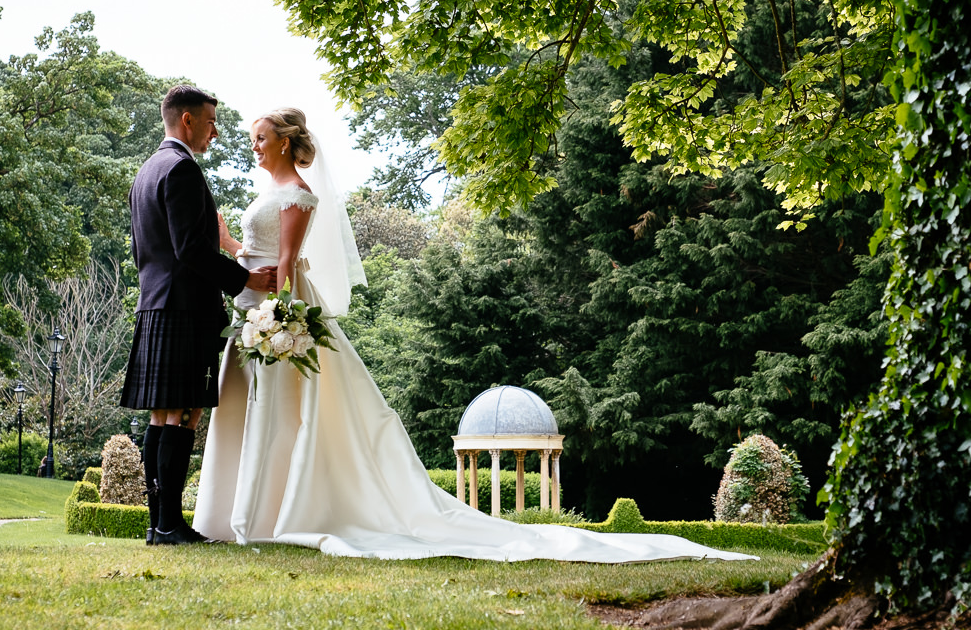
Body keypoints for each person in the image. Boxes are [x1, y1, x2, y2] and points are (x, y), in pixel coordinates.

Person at [193, 108, 755, 563]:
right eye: (253, 139)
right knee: (250, 411)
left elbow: (289, 262)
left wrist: (282, 321)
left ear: (287, 143)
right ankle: (243, 513)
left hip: (280, 313)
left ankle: (280, 514)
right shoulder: (267, 192)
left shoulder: (298, 197)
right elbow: (252, 252)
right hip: (252, 307)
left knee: (291, 413)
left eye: (261, 138)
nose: (254, 146)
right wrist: (228, 251)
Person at [120, 84, 276, 546]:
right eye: (210, 122)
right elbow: (190, 249)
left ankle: (161, 524)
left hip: (155, 304)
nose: (215, 131)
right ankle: (168, 525)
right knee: (183, 415)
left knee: (163, 417)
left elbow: (143, 249)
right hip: (185, 309)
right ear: (187, 120)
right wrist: (245, 279)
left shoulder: (148, 170)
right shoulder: (183, 169)